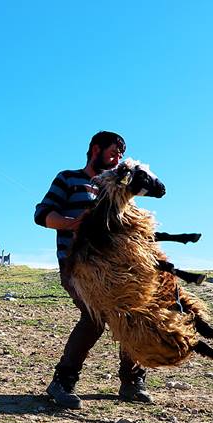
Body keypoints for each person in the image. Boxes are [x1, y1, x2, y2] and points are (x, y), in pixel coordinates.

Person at [33, 131, 152, 408]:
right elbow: (42, 214)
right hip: (77, 266)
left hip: (113, 268)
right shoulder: (68, 179)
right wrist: (73, 224)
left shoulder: (117, 186)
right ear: (95, 149)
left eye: (121, 155)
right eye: (113, 152)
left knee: (130, 314)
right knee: (94, 316)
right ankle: (62, 382)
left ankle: (132, 381)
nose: (117, 159)